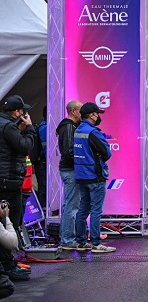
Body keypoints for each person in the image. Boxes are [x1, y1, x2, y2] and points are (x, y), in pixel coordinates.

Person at [0, 95, 38, 280]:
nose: (25, 114)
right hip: (9, 182)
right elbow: (25, 147)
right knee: (10, 225)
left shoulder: (5, 126)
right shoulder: (8, 127)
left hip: (4, 180)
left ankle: (6, 265)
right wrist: (29, 129)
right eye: (23, 111)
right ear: (17, 112)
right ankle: (8, 267)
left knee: (4, 224)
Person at [73, 102, 115, 253]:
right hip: (95, 175)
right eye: (97, 113)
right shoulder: (93, 132)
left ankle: (81, 242)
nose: (98, 116)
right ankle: (96, 243)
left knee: (83, 209)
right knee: (96, 210)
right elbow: (107, 153)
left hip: (81, 176)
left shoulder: (78, 130)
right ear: (91, 115)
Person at [56, 100, 82, 250]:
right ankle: (67, 239)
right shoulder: (68, 127)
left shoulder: (69, 126)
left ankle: (68, 237)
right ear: (73, 111)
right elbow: (68, 150)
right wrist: (80, 161)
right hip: (70, 169)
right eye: (80, 110)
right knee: (71, 205)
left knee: (71, 204)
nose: (82, 113)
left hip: (70, 169)